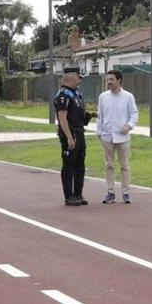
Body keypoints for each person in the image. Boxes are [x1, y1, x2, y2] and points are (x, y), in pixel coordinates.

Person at [95, 69, 138, 205]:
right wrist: (99, 132)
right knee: (109, 165)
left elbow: (134, 114)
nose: (109, 82)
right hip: (107, 136)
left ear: (119, 80)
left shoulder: (128, 96)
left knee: (124, 166)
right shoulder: (103, 97)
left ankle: (126, 193)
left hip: (123, 137)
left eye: (112, 79)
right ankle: (110, 192)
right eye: (108, 79)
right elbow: (99, 115)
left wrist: (129, 125)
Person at [53, 67, 89, 206]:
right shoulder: (63, 95)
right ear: (73, 77)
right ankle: (69, 196)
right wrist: (68, 137)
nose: (80, 80)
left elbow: (80, 115)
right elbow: (62, 118)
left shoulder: (77, 94)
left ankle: (78, 194)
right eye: (79, 77)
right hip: (70, 133)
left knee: (80, 164)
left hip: (80, 133)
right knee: (69, 165)